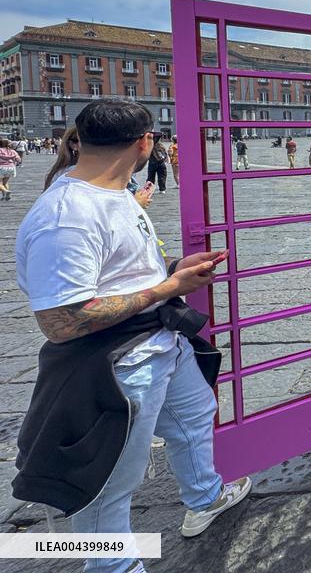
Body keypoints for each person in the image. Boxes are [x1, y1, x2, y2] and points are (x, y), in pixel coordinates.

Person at [14, 99, 251, 573]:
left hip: (160, 343)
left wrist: (171, 269)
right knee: (109, 485)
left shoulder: (115, 192)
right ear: (145, 142)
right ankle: (113, 567)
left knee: (194, 415)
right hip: (116, 365)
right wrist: (169, 288)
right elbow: (62, 321)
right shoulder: (66, 216)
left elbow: (119, 273)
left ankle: (205, 497)